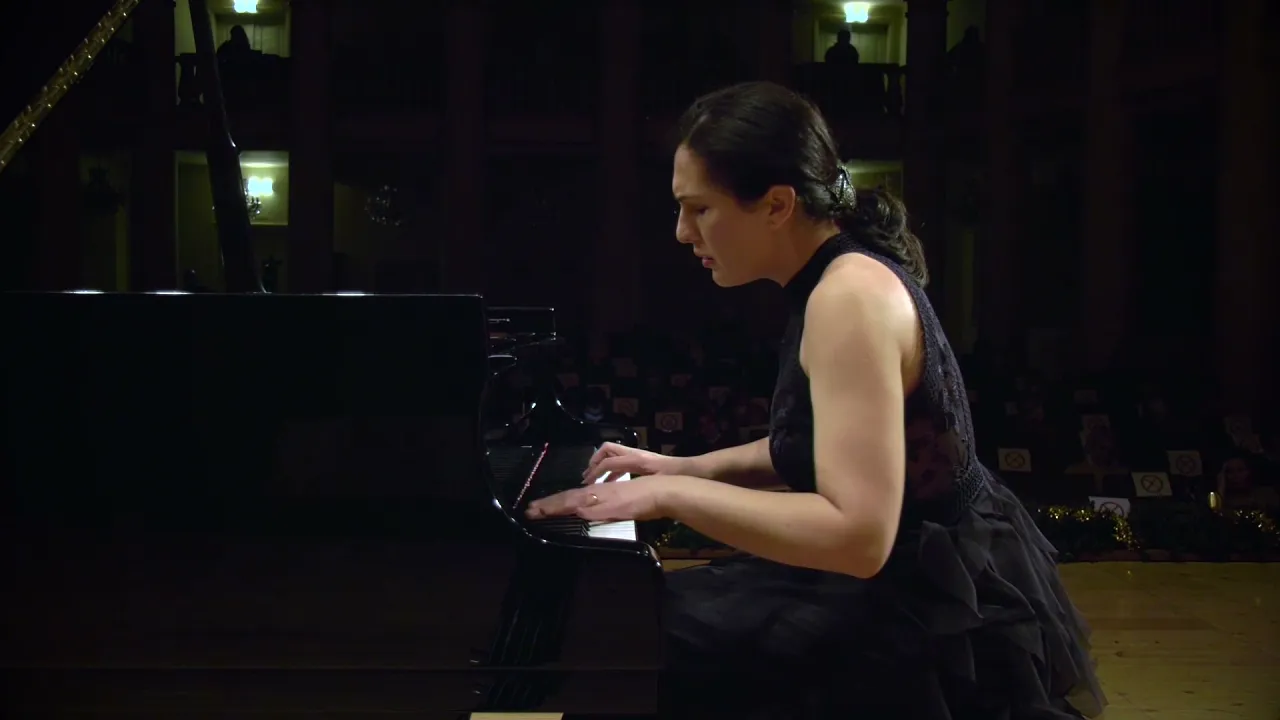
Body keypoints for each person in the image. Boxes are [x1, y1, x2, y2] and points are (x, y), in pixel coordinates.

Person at [527, 81, 1105, 719]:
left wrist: (669, 496)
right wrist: (683, 467)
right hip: (916, 566)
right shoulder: (838, 277)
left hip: (912, 600)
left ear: (777, 204)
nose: (683, 232)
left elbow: (859, 538)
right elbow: (818, 444)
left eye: (699, 209)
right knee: (634, 633)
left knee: (628, 646)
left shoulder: (846, 299)